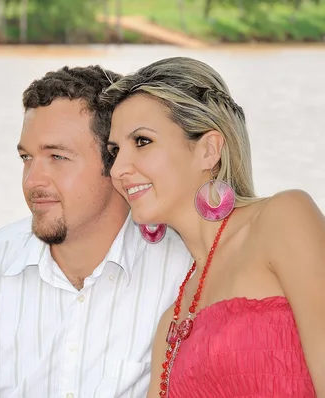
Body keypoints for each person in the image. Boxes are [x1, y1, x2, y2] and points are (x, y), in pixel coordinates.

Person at [0, 65, 193, 398]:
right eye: (26, 158)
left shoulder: (184, 274)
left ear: (116, 162)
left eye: (57, 156)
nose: (32, 180)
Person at [101, 56, 325, 398]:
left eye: (142, 141)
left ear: (208, 150)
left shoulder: (284, 218)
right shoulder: (171, 323)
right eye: (115, 151)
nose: (118, 170)